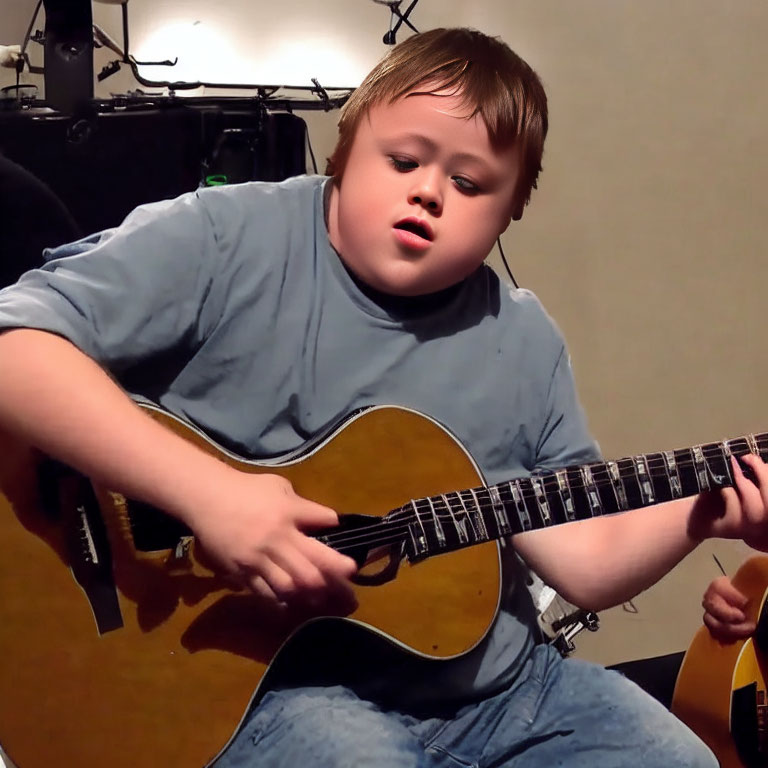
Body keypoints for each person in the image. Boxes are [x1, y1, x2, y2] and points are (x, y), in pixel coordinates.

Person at [0, 26, 766, 768]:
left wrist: (701, 509)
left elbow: (585, 560)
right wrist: (210, 496)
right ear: (345, 147)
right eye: (403, 160)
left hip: (494, 692)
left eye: (469, 185)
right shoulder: (226, 239)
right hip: (268, 684)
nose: (430, 193)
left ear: (511, 210)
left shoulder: (523, 340)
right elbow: (15, 351)